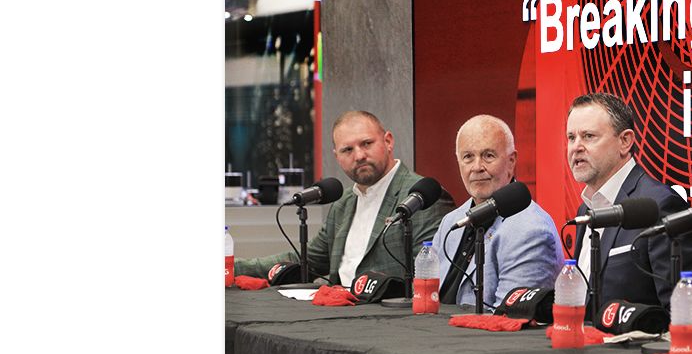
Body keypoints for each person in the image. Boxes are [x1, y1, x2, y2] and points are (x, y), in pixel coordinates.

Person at [236, 111, 455, 287]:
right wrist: (232, 268)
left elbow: (428, 278)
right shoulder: (343, 203)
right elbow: (304, 260)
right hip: (338, 316)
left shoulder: (421, 197)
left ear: (388, 141)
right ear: (336, 157)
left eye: (366, 143)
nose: (359, 155)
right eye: (347, 150)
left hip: (392, 322)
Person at [565, 93, 692, 314]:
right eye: (571, 137)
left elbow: (691, 312)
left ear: (625, 141)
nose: (576, 147)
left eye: (588, 136)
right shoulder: (586, 208)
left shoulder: (660, 206)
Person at [433, 115, 562, 309]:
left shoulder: (531, 231)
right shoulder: (451, 221)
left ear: (511, 161)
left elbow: (507, 319)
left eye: (488, 156)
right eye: (468, 157)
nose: (477, 167)